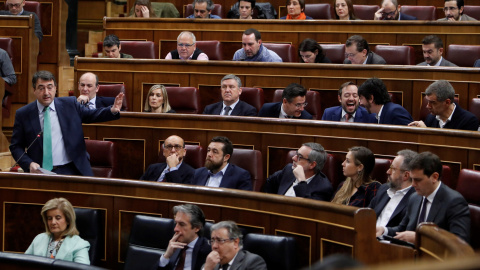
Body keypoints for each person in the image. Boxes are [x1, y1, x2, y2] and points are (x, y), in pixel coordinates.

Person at [9, 70, 124, 176]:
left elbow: (91, 115)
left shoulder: (70, 104)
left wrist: (111, 110)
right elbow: (16, 146)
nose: (46, 92)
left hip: (72, 169)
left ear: (55, 89)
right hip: (41, 172)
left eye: (50, 87)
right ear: (34, 90)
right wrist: (28, 163)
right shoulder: (23, 114)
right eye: (41, 88)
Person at [376, 152, 470, 243]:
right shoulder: (414, 198)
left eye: (418, 180)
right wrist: (384, 230)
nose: (413, 184)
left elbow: (459, 241)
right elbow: (402, 229)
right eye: (412, 179)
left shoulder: (454, 202)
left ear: (434, 177)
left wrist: (420, 239)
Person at [25, 198, 90, 264]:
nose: (53, 222)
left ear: (68, 220)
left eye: (58, 218)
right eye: (49, 218)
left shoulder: (79, 245)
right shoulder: (39, 239)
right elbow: (24, 264)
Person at [264, 143, 333, 201]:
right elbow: (269, 182)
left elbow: (308, 210)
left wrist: (301, 181)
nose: (293, 158)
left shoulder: (323, 188)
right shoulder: (289, 170)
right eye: (296, 154)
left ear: (312, 164)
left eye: (299, 157)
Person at [369, 150, 417, 227]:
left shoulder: (416, 199)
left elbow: (404, 231)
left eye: (393, 169)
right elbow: (367, 215)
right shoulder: (383, 189)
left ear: (406, 175)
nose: (388, 172)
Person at [408, 80, 479, 131]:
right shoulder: (430, 118)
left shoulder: (469, 121)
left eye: (432, 102)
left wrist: (426, 131)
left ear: (447, 102)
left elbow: (455, 149)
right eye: (428, 102)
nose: (428, 106)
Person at [157, 204, 210, 270]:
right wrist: (166, 256)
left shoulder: (207, 250)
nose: (175, 229)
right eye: (176, 223)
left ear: (197, 228)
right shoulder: (173, 243)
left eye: (182, 224)